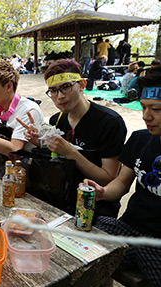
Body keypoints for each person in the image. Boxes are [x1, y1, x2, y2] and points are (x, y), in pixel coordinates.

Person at [82, 71, 161, 286]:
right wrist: (103, 192)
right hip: (128, 228)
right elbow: (122, 183)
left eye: (155, 109)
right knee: (80, 258)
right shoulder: (140, 139)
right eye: (143, 107)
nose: (146, 116)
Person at [21, 58, 127, 217]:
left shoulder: (110, 123)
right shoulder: (56, 120)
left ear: (82, 85)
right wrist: (40, 142)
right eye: (53, 91)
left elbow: (108, 179)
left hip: (95, 204)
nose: (60, 96)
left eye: (66, 87)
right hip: (61, 195)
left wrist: (71, 152)